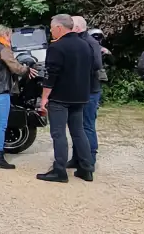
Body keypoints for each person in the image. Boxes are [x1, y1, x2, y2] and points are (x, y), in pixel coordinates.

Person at [37, 14, 95, 183]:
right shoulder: (86, 45)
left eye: (52, 28)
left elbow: (50, 75)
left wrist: (44, 98)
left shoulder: (57, 47)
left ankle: (59, 170)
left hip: (61, 97)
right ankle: (86, 168)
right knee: (79, 132)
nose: (51, 31)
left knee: (58, 133)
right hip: (80, 96)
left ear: (59, 28)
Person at [0, 25, 36, 169]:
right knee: (1, 125)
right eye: (10, 35)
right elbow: (15, 67)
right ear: (5, 34)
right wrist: (27, 69)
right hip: (1, 92)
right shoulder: (3, 49)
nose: (10, 37)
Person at [70, 16, 105, 167]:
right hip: (78, 89)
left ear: (77, 28)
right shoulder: (78, 41)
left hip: (90, 89)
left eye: (70, 26)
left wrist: (79, 71)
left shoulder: (90, 42)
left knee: (87, 125)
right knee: (76, 125)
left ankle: (90, 158)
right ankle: (77, 157)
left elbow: (97, 64)